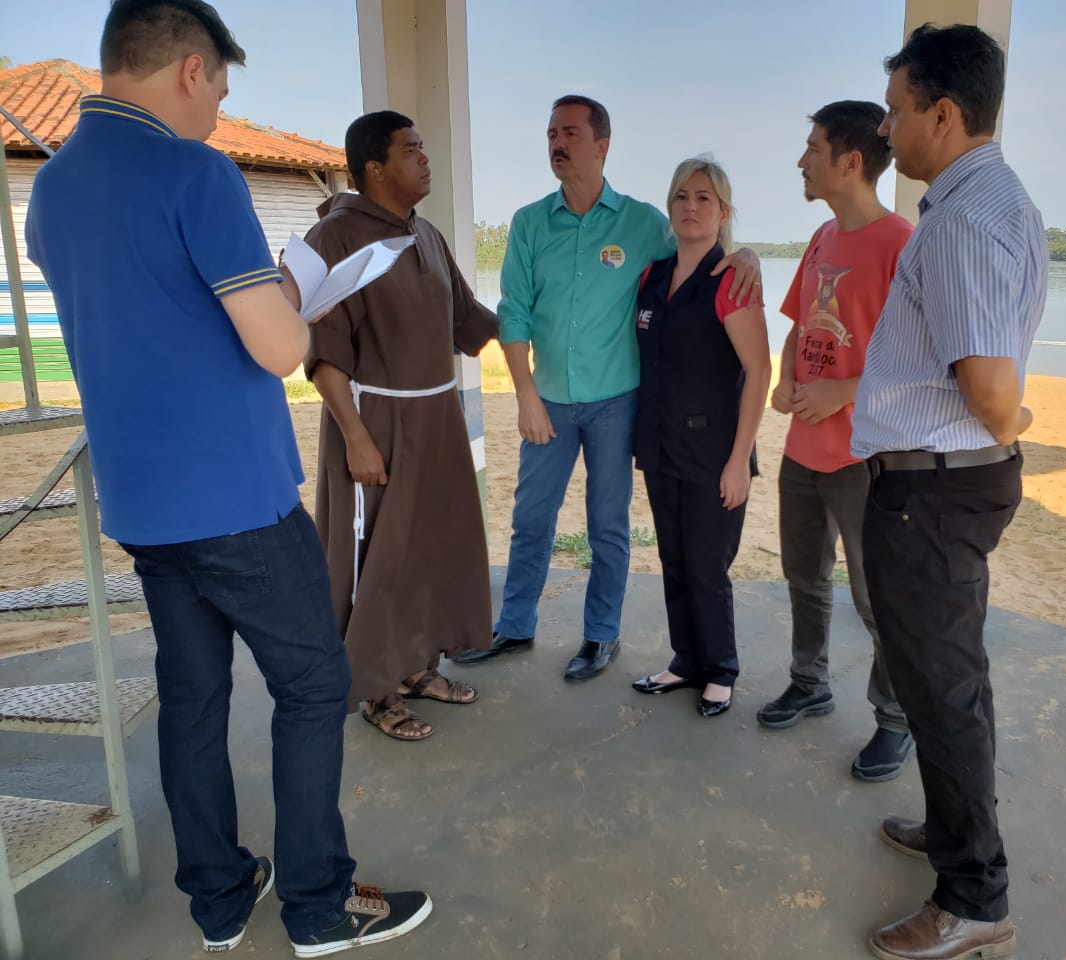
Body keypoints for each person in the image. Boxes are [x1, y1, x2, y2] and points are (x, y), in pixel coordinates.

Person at [24, 2, 430, 955]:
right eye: (220, 88)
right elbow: (281, 349)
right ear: (190, 70)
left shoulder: (54, 185)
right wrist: (291, 294)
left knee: (194, 699)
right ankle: (319, 904)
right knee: (313, 685)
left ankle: (218, 899)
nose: (217, 111)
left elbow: (144, 312)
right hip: (234, 497)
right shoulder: (195, 172)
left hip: (143, 499)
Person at [852, 24, 1046, 960]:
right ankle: (952, 828)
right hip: (941, 485)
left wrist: (1016, 419)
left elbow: (992, 395)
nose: (886, 130)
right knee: (944, 682)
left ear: (942, 113)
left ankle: (974, 898)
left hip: (931, 492)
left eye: (895, 111)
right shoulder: (990, 201)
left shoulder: (965, 220)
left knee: (943, 687)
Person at [452, 95, 761, 681]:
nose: (557, 143)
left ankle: (601, 636)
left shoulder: (643, 223)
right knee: (531, 518)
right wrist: (524, 395)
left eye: (570, 133)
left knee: (608, 525)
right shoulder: (529, 223)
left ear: (602, 146)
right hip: (546, 401)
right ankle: (514, 625)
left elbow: (700, 252)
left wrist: (747, 255)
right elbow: (514, 312)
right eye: (551, 134)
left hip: (618, 402)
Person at [304, 111, 497, 742]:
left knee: (430, 547)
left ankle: (415, 667)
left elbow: (468, 320)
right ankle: (375, 690)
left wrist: (536, 321)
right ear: (375, 168)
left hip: (437, 419)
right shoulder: (335, 238)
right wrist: (357, 439)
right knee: (377, 559)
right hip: (378, 423)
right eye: (411, 150)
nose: (425, 158)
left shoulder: (425, 234)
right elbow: (325, 356)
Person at [755, 102, 916, 782]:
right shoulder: (823, 236)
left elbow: (916, 359)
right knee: (804, 578)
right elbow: (801, 323)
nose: (801, 162)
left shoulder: (902, 243)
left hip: (865, 457)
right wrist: (787, 378)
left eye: (813, 149)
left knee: (877, 598)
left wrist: (842, 392)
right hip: (803, 450)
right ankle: (809, 682)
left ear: (850, 162)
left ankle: (896, 718)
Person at [629, 158, 770, 717]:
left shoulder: (732, 279)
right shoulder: (651, 277)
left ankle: (720, 671)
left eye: (704, 198)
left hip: (715, 452)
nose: (691, 206)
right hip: (659, 445)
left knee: (708, 567)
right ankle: (686, 660)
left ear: (723, 213)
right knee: (674, 559)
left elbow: (758, 371)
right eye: (682, 197)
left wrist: (739, 461)